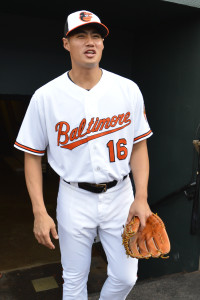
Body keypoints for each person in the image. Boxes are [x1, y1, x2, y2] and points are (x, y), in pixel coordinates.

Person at [14, 10, 153, 300]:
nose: (90, 42)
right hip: (74, 197)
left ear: (102, 44)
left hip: (121, 196)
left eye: (96, 36)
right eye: (81, 36)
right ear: (66, 43)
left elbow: (139, 146)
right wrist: (39, 211)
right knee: (74, 280)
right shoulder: (46, 96)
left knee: (127, 276)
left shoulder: (128, 89)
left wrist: (141, 197)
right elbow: (31, 156)